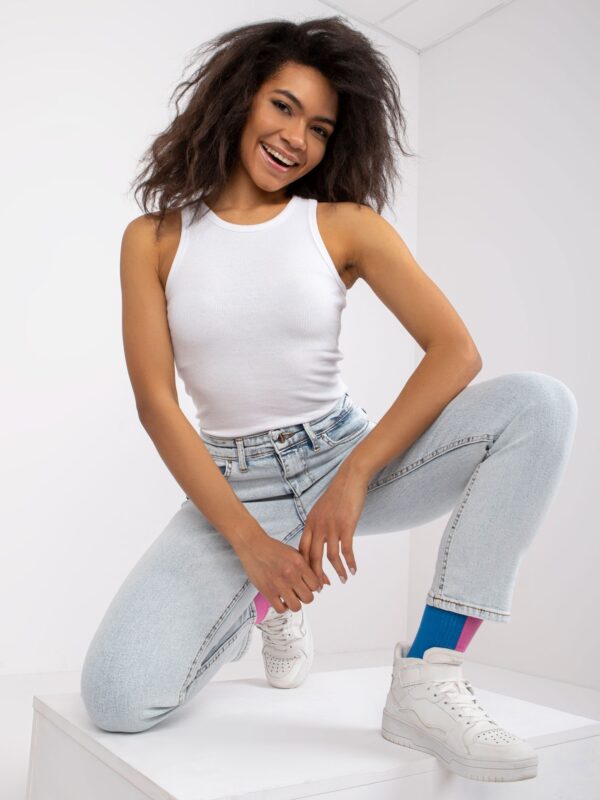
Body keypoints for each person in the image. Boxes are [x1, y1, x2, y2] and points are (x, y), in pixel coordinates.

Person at [80, 16, 577, 783]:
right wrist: (251, 545)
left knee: (539, 405)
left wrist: (353, 476)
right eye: (282, 107)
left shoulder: (343, 226)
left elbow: (456, 352)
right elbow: (157, 403)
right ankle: (271, 602)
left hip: (341, 456)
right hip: (232, 484)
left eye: (319, 127)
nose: (296, 139)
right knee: (117, 699)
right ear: (240, 98)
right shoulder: (153, 238)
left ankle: (430, 674)